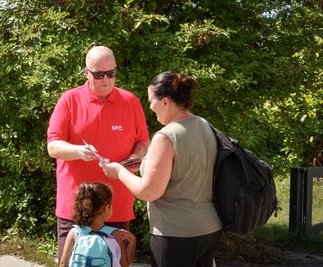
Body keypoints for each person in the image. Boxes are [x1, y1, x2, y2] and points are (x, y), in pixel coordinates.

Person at [102, 71, 223, 267]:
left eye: (151, 101)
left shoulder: (165, 137)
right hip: (209, 229)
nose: (150, 107)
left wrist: (119, 172)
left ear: (165, 102)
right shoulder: (204, 125)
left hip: (176, 233)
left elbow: (149, 191)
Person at [47, 45, 149, 262]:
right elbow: (53, 146)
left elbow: (143, 143)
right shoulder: (70, 99)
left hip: (115, 207)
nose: (106, 80)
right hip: (77, 206)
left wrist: (134, 160)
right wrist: (78, 151)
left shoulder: (130, 101)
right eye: (99, 74)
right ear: (87, 73)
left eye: (111, 74)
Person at [59, 182, 136, 267]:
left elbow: (63, 264)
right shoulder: (113, 235)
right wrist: (132, 240)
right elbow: (124, 265)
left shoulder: (75, 232)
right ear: (107, 208)